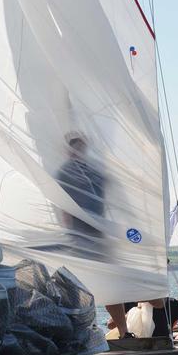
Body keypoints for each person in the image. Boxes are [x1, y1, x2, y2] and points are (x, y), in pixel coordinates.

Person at [57, 133, 131, 338]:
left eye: (81, 146)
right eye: (76, 147)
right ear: (68, 149)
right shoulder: (65, 172)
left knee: (110, 287)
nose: (79, 150)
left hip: (98, 236)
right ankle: (86, 331)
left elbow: (111, 193)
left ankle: (123, 331)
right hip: (79, 238)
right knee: (78, 287)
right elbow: (63, 208)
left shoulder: (95, 172)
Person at [107, 298, 178, 338]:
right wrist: (127, 316)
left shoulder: (169, 304)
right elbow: (110, 324)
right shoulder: (132, 303)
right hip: (132, 344)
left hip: (161, 345)